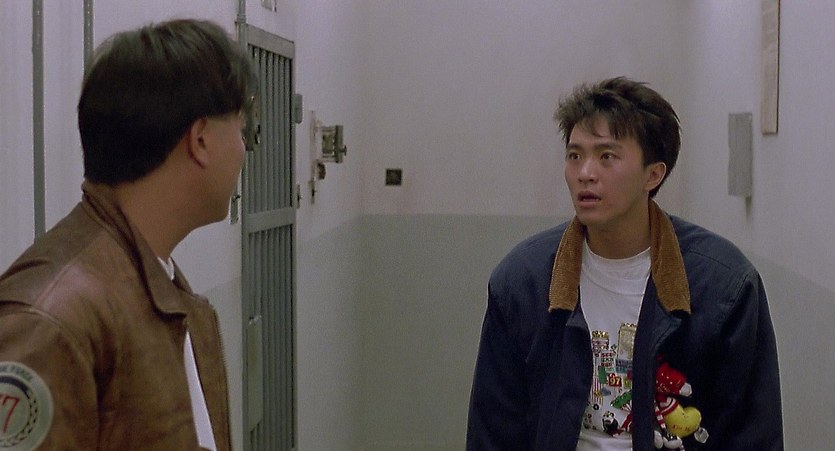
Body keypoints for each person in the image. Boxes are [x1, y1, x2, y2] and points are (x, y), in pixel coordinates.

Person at [466, 77, 783, 450]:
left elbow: (752, 436)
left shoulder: (723, 287)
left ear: (653, 174)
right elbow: (494, 432)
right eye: (575, 155)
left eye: (606, 156)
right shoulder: (522, 283)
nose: (585, 173)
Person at [0, 19, 254, 450]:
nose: (245, 150)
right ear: (200, 140)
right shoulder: (49, 321)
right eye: (243, 130)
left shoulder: (158, 285)